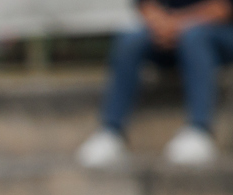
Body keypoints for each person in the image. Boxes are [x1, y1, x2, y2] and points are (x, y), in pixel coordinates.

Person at [77, 0, 233, 167]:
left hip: (217, 33)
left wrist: (177, 24)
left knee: (194, 37)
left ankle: (200, 130)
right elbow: (145, 5)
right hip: (168, 33)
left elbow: (222, 9)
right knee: (129, 40)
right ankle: (110, 131)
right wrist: (160, 23)